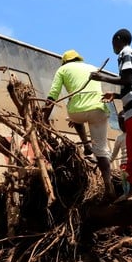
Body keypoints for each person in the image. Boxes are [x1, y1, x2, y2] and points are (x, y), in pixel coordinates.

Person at [91, 29, 132, 202]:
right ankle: (131, 190)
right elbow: (131, 85)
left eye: (113, 42)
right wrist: (116, 95)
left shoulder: (126, 53)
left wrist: (102, 78)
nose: (112, 46)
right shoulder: (126, 54)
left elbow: (127, 80)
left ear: (118, 39)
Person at [46, 49, 114, 194]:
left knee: (74, 111)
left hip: (77, 112)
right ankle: (108, 183)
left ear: (65, 61)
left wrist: (43, 118)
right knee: (102, 150)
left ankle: (86, 145)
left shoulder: (62, 69)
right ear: (79, 59)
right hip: (99, 110)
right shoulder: (92, 67)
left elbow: (53, 95)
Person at [110, 116, 129, 196]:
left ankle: (127, 197)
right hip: (131, 165)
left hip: (125, 166)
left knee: (127, 188)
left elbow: (113, 155)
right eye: (120, 123)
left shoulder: (119, 138)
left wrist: (108, 161)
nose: (122, 125)